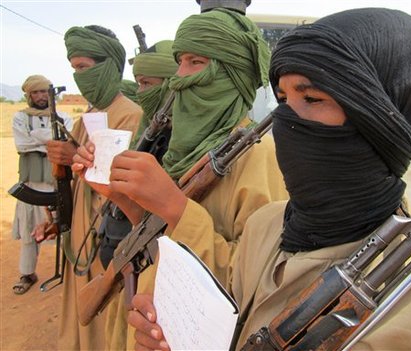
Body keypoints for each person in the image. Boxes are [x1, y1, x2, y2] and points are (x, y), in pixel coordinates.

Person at [127, 8, 411, 351]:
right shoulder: (266, 228)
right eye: (283, 99)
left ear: (381, 116)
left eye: (312, 99)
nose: (286, 119)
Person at [71, 8, 288, 351]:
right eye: (179, 62)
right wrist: (120, 196)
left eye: (195, 62)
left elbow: (259, 283)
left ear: (231, 72)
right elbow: (158, 235)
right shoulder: (186, 150)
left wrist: (175, 206)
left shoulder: (260, 156)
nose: (178, 78)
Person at [36, 25, 143, 350]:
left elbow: (122, 192)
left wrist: (74, 160)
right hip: (79, 237)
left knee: (103, 325)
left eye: (83, 67)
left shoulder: (129, 116)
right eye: (74, 69)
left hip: (105, 239)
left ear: (108, 65)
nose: (79, 76)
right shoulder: (89, 117)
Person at [102, 39, 178, 351]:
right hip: (124, 243)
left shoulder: (181, 140)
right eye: (138, 84)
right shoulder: (149, 128)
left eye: (148, 83)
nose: (142, 92)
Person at [11, 74, 73, 295]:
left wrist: (37, 138)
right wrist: (49, 140)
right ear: (29, 95)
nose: (40, 96)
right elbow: (22, 144)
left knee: (66, 230)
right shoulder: (20, 118)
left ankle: (69, 275)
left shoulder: (63, 116)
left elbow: (67, 142)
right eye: (35, 92)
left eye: (43, 92)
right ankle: (27, 273)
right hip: (30, 184)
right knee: (29, 233)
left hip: (57, 184)